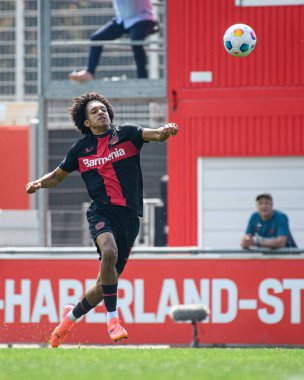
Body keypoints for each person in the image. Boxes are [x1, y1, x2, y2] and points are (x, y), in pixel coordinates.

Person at [25, 92, 178, 347]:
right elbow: (57, 176)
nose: (101, 112)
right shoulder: (80, 149)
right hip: (101, 212)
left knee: (102, 285)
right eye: (94, 111)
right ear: (86, 123)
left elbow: (157, 134)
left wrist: (167, 129)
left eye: (103, 109)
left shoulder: (127, 134)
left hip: (129, 218)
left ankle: (69, 319)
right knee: (109, 252)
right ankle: (113, 319)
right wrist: (38, 183)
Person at [68, 0, 159, 81]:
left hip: (142, 18)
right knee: (96, 38)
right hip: (122, 20)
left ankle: (142, 79)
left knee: (136, 42)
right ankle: (89, 72)